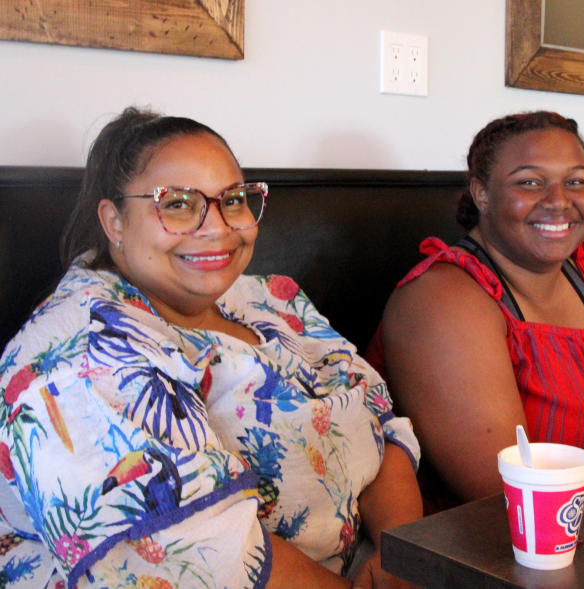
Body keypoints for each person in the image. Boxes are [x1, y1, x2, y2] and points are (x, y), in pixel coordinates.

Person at [0, 108, 421, 589]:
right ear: (114, 221)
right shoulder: (82, 361)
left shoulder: (270, 299)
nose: (218, 227)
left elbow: (378, 414)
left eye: (234, 201)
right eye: (178, 204)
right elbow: (193, 557)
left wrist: (401, 560)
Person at [367, 111, 584, 512]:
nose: (559, 201)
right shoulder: (442, 299)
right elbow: (499, 490)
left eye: (576, 182)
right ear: (481, 193)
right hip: (495, 545)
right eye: (530, 182)